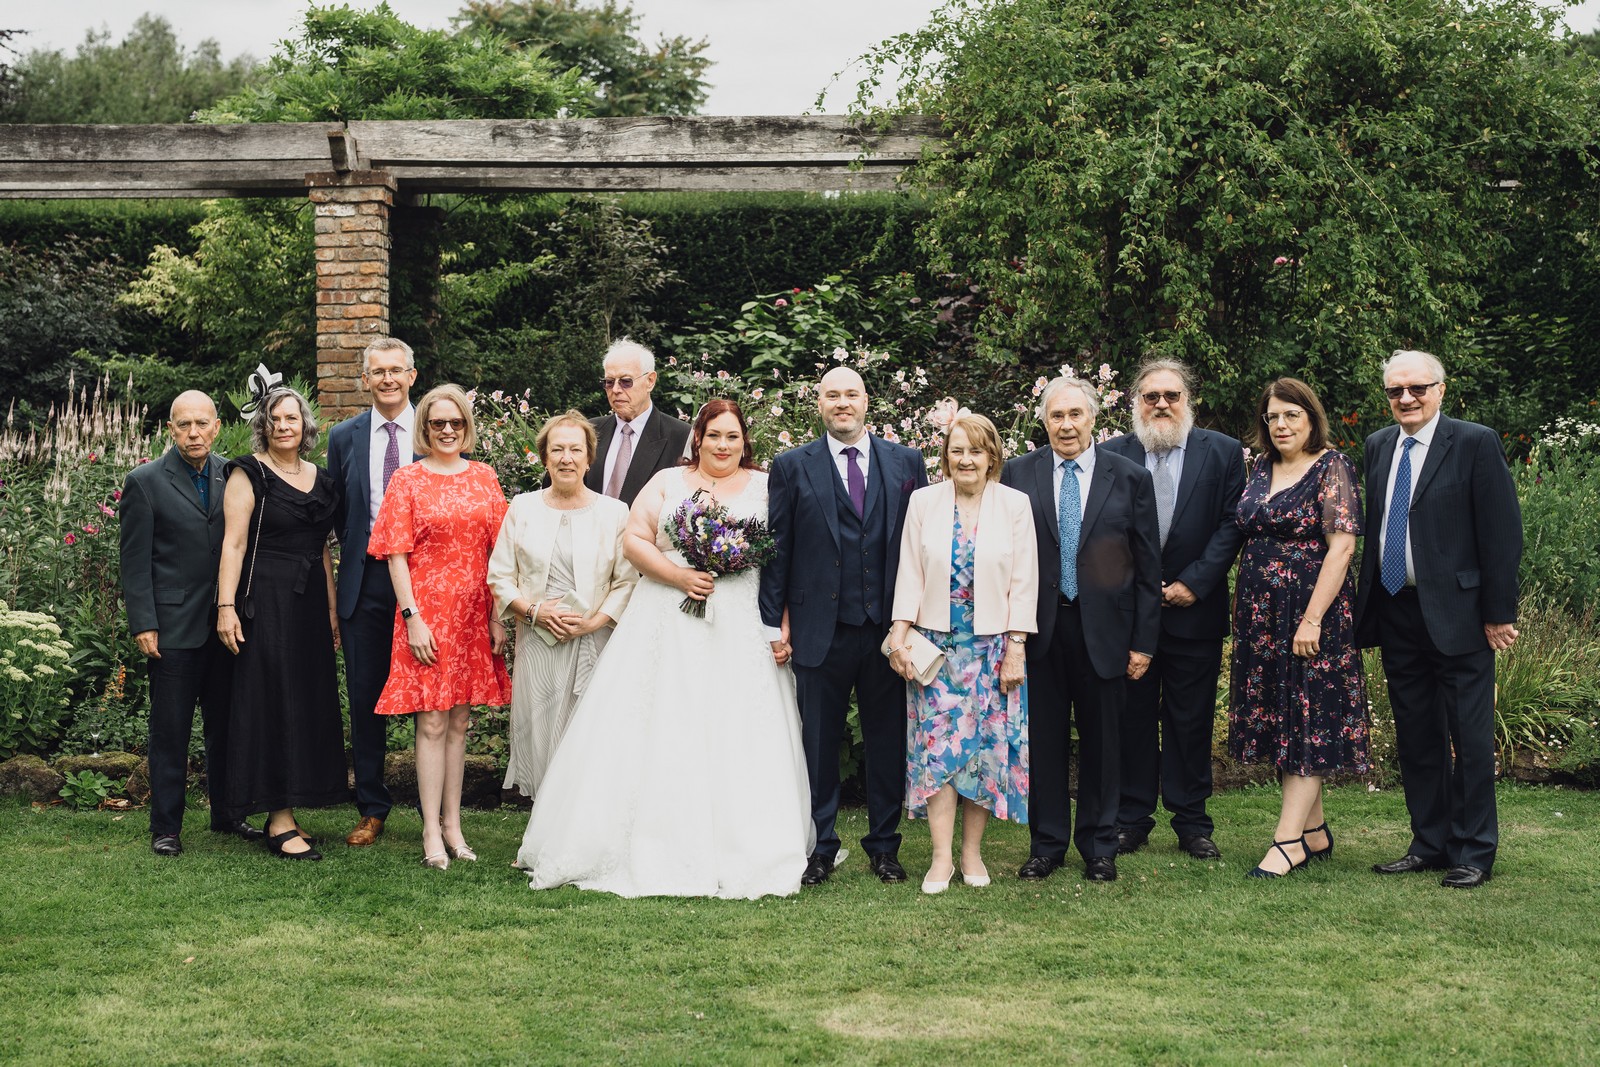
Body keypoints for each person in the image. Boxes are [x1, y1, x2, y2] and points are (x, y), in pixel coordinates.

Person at [517, 399, 814, 898]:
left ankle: (747, 841)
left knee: (738, 726)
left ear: (745, 441)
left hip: (740, 616)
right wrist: (679, 575)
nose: (722, 445)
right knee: (659, 718)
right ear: (696, 438)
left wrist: (780, 625)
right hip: (667, 612)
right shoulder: (666, 483)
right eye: (713, 435)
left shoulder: (767, 487)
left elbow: (785, 559)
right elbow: (635, 540)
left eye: (732, 437)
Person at [1354, 350, 1521, 890]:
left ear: (1440, 390)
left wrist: (1498, 614)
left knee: (1469, 739)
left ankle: (1474, 851)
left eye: (1417, 388)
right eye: (1396, 390)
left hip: (1461, 616)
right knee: (1416, 735)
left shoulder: (1473, 442)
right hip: (1397, 609)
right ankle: (1429, 842)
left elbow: (1501, 534)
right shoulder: (1379, 445)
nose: (1406, 398)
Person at [760, 367, 929, 886]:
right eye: (832, 395)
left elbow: (921, 548)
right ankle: (821, 847)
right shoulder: (791, 465)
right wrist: (773, 624)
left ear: (866, 400)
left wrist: (916, 623)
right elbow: (778, 548)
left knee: (885, 743)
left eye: (850, 394)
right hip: (817, 627)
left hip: (887, 631)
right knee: (819, 743)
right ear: (819, 404)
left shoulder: (906, 462)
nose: (842, 403)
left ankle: (884, 846)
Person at [1000, 374, 1161, 883]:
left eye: (1075, 415)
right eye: (1056, 416)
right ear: (1043, 421)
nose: (1065, 425)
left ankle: (1099, 847)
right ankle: (1046, 845)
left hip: (1108, 631)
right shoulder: (1017, 475)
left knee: (1103, 743)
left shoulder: (1129, 476)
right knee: (1042, 741)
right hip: (1039, 627)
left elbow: (1148, 568)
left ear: (1094, 418)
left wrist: (1143, 642)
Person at [1100, 360, 1245, 860]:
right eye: (1151, 396)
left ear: (1188, 401)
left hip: (1194, 611)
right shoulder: (1111, 454)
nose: (1161, 404)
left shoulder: (1223, 453)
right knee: (1132, 719)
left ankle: (1192, 822)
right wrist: (1132, 586)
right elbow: (1103, 531)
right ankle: (1130, 819)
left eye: (1172, 395)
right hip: (1129, 615)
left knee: (1191, 719)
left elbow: (1232, 524)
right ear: (1135, 402)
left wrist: (1195, 583)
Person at [888, 412, 1037, 893]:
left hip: (992, 649)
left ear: (992, 455)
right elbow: (910, 570)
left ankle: (972, 854)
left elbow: (1023, 582)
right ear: (945, 455)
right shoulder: (923, 501)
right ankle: (939, 859)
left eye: (975, 450)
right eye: (956, 449)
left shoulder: (1014, 504)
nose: (965, 459)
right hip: (936, 648)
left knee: (984, 754)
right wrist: (898, 636)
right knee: (938, 753)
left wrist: (1016, 647)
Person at [1228, 378, 1369, 878]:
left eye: (1292, 415)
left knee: (1307, 720)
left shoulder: (1333, 466)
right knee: (1284, 719)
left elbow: (1343, 547)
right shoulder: (1262, 467)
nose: (1281, 424)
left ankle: (1286, 843)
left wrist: (1311, 619)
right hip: (1261, 618)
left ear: (1311, 417)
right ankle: (1314, 833)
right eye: (1273, 417)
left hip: (1311, 615)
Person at [368, 384, 512, 870]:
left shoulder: (485, 478)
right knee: (430, 720)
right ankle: (430, 828)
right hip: (426, 613)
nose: (447, 430)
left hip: (473, 613)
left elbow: (501, 554)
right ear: (424, 428)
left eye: (455, 422)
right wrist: (412, 619)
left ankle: (454, 825)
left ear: (466, 426)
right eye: (437, 423)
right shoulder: (407, 480)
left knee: (459, 722)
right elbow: (395, 555)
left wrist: (497, 615)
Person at [119, 390, 261, 856]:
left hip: (227, 625)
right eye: (184, 425)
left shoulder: (235, 474)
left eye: (202, 423)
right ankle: (166, 829)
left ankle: (228, 814)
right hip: (172, 630)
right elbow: (134, 562)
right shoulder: (144, 482)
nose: (194, 432)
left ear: (217, 426)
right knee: (170, 732)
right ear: (171, 429)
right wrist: (144, 622)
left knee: (229, 728)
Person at [215, 383, 348, 860]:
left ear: (305, 425)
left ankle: (293, 804)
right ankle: (278, 818)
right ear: (263, 426)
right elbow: (233, 544)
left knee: (306, 698)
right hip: (264, 599)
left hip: (310, 600)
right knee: (272, 698)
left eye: (292, 418)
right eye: (275, 419)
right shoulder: (247, 474)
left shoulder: (324, 479)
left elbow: (324, 551)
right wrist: (225, 608)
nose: (284, 426)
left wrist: (332, 611)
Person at [487, 411, 637, 799]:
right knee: (540, 730)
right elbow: (500, 575)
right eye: (557, 450)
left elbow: (626, 581)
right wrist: (535, 612)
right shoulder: (522, 507)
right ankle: (541, 827)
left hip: (593, 641)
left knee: (589, 733)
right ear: (544, 458)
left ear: (590, 459)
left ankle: (582, 829)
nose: (566, 458)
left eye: (575, 449)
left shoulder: (615, 513)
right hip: (538, 639)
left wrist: (593, 623)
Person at [326, 336, 418, 848]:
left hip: (424, 586)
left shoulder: (436, 430)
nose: (387, 379)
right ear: (366, 379)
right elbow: (340, 513)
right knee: (365, 697)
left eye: (395, 370)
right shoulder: (344, 436)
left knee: (433, 696)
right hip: (364, 580)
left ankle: (437, 810)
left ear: (411, 376)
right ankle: (372, 807)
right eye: (377, 371)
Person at [586, 338, 692, 507]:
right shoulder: (590, 431)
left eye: (625, 381)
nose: (615, 390)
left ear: (650, 381)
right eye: (609, 382)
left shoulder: (681, 436)